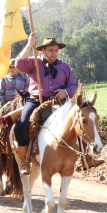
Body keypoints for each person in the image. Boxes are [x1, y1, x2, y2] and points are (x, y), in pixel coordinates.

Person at [13, 34, 78, 175]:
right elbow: (18, 64)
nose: (54, 53)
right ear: (43, 51)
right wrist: (29, 44)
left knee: (80, 121)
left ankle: (86, 158)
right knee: (21, 126)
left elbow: (73, 85)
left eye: (56, 50)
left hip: (59, 101)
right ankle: (24, 160)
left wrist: (65, 91)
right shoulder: (33, 62)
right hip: (36, 101)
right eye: (50, 50)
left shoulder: (64, 66)